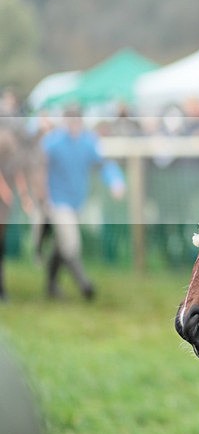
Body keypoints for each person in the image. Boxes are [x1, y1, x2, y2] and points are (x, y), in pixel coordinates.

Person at [41, 106, 125, 299]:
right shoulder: (52, 143)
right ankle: (85, 285)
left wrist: (115, 181)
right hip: (57, 201)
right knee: (71, 243)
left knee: (60, 244)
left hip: (76, 202)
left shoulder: (87, 142)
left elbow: (104, 164)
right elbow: (38, 168)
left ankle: (51, 284)